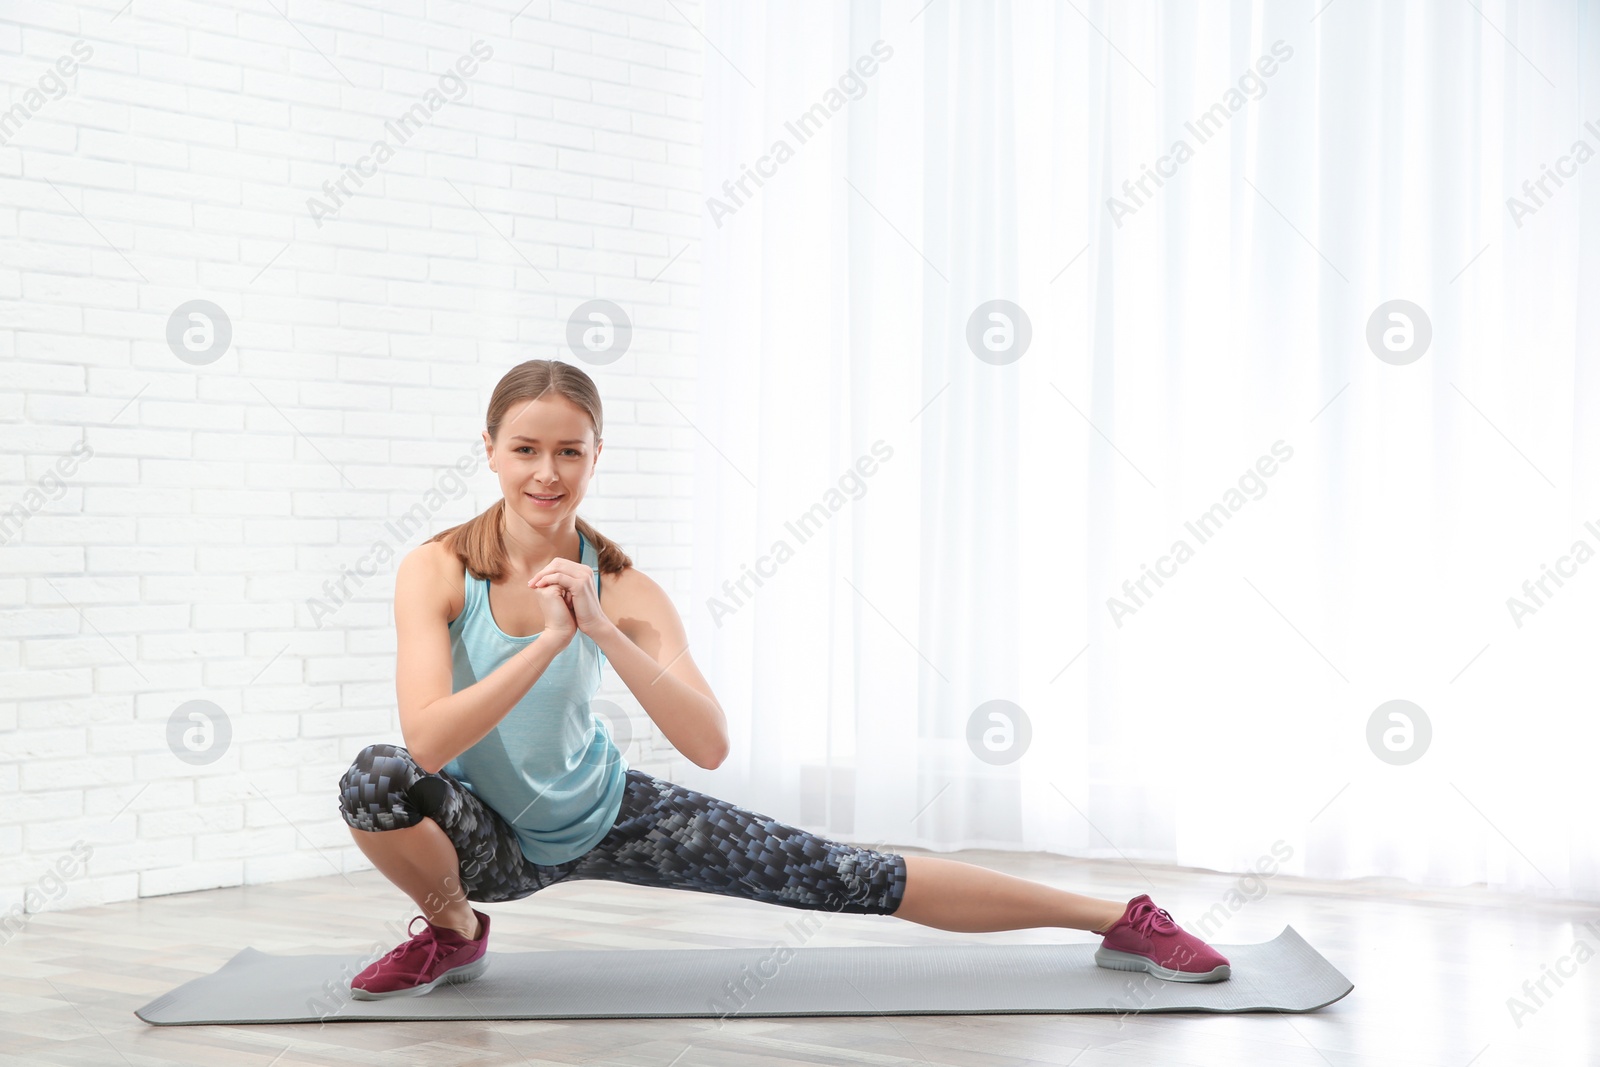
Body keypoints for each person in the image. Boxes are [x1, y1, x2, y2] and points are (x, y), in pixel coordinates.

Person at [336, 359, 1230, 1000]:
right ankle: (454, 935)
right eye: (526, 449)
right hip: (483, 834)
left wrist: (600, 625)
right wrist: (545, 645)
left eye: (569, 451)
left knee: (846, 871)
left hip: (607, 813)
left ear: (596, 455)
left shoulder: (630, 590)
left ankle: (1118, 915)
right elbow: (427, 741)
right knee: (375, 777)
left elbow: (710, 745)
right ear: (489, 449)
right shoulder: (437, 569)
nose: (546, 472)